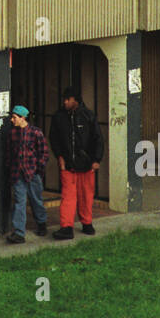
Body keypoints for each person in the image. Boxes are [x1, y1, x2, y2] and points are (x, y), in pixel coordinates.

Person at [49, 86, 103, 240]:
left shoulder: (89, 116)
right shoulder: (58, 117)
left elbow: (98, 139)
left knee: (86, 196)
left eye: (68, 99)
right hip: (68, 166)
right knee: (68, 197)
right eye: (64, 99)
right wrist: (59, 156)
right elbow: (54, 139)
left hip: (86, 165)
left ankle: (87, 223)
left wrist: (97, 159)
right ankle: (66, 227)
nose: (65, 102)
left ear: (75, 100)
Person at [5, 105, 48, 244]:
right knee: (19, 201)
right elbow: (9, 152)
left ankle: (42, 223)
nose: (12, 120)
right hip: (18, 173)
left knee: (36, 200)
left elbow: (43, 153)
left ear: (23, 117)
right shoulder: (12, 133)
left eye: (14, 117)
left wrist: (38, 169)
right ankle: (19, 232)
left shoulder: (36, 133)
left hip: (32, 172)